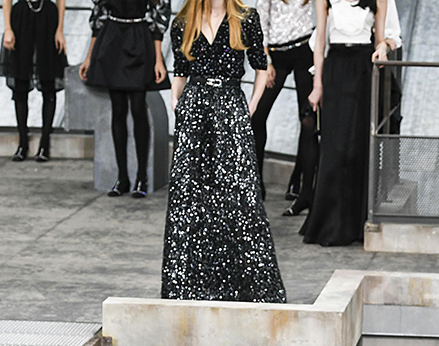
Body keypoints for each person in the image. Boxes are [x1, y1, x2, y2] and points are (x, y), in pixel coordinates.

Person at [160, 0, 286, 303]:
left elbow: (260, 65)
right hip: (195, 108)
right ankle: (189, 284)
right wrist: (177, 103)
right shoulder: (184, 21)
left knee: (239, 192)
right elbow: (180, 68)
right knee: (190, 195)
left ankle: (246, 286)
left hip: (230, 106)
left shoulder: (246, 19)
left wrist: (252, 105)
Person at [298, 0, 387, 246]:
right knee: (334, 147)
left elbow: (380, 38)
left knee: (356, 148)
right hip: (335, 68)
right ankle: (328, 223)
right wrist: (317, 85)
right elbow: (319, 43)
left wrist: (383, 48)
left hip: (363, 70)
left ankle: (355, 225)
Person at [79, 0, 170, 197]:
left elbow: (159, 18)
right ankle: (122, 178)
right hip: (112, 41)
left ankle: (141, 177)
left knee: (138, 109)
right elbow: (98, 17)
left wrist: (158, 59)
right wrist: (88, 57)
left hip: (139, 39)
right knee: (118, 110)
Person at [251, 0, 317, 217]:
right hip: (275, 55)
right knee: (257, 115)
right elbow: (261, 20)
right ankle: (256, 182)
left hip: (305, 50)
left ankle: (302, 187)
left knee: (308, 119)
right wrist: (266, 60)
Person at [0, 0, 68, 162]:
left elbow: (61, 1)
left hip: (48, 18)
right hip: (21, 18)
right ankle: (22, 142)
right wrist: (7, 28)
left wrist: (60, 30)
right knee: (20, 83)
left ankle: (45, 143)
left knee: (48, 82)